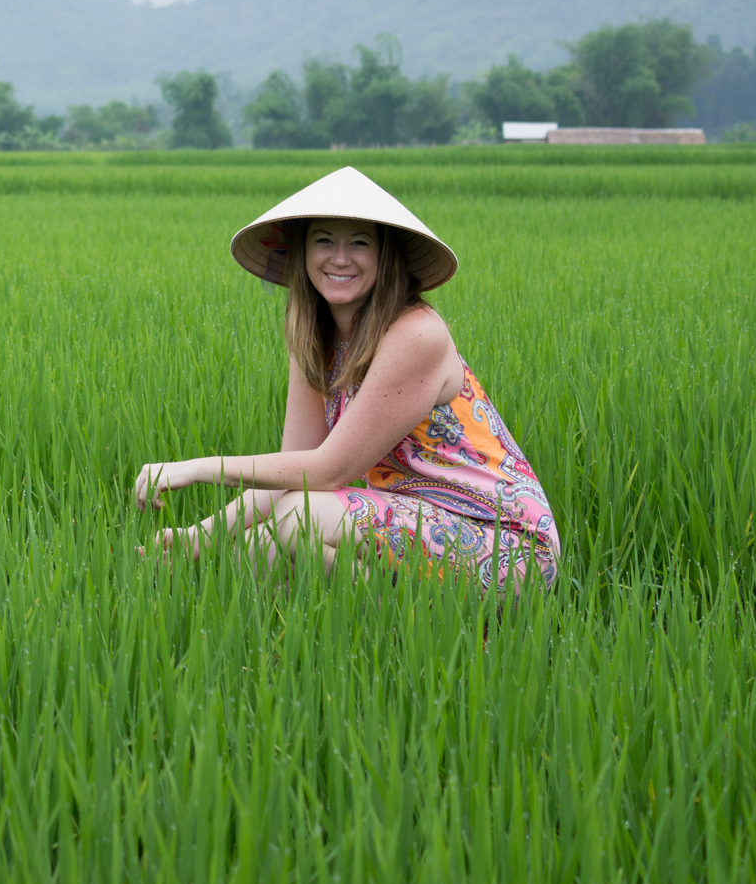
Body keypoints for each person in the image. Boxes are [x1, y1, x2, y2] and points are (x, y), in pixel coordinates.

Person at [132, 166, 560, 586]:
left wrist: (195, 469)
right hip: (410, 518)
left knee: (298, 519)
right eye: (323, 240)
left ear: (384, 255)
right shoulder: (313, 340)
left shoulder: (416, 334)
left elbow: (327, 470)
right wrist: (197, 538)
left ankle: (426, 631)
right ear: (302, 253)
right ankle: (343, 643)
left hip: (505, 542)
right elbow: (291, 470)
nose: (339, 258)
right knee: (253, 552)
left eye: (359, 243)